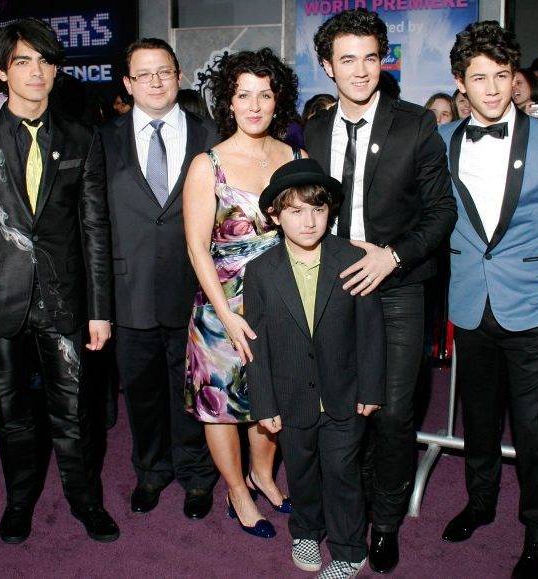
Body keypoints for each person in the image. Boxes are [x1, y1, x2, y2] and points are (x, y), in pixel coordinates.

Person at [439, 21, 538, 578]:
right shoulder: (441, 140)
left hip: (536, 310)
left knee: (534, 430)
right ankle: (480, 503)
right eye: (478, 77)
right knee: (478, 421)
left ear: (515, 78)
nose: (491, 88)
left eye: (501, 76)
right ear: (461, 82)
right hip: (469, 305)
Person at [305, 8, 456, 573]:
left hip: (397, 288)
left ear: (383, 61)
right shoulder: (314, 129)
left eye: (371, 58)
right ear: (328, 66)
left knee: (392, 414)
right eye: (347, 60)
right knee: (340, 409)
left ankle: (386, 522)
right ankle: (345, 509)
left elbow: (441, 213)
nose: (361, 70)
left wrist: (391, 256)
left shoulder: (415, 124)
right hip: (333, 287)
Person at [0, 18, 119, 543]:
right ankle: (19, 501)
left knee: (74, 410)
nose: (36, 71)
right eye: (23, 61)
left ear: (56, 71)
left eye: (45, 61)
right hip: (0, 297)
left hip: (64, 298)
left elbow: (95, 228)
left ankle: (85, 501)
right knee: (12, 412)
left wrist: (100, 310)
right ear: (3, 72)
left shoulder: (81, 137)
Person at [245, 158, 386, 578]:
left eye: (317, 210)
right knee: (301, 471)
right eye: (295, 211)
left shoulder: (353, 258)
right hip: (290, 396)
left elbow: (370, 330)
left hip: (344, 393)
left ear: (330, 212)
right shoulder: (260, 271)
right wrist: (264, 402)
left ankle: (348, 551)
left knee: (342, 473)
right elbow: (256, 343)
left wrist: (371, 388)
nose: (308, 222)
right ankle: (306, 530)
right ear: (275, 216)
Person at [184, 47, 301, 539]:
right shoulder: (207, 164)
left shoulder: (295, 158)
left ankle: (263, 476)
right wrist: (226, 315)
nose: (254, 106)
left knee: (270, 398)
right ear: (228, 102)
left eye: (264, 95)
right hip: (221, 307)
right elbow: (197, 247)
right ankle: (237, 491)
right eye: (243, 95)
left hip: (280, 303)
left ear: (278, 101)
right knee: (221, 405)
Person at [99, 38, 218, 519]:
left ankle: (196, 474)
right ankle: (150, 471)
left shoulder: (210, 135)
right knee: (142, 391)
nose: (155, 81)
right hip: (128, 290)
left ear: (179, 75)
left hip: (195, 288)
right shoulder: (101, 139)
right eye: (143, 74)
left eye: (164, 72)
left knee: (192, 388)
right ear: (128, 84)